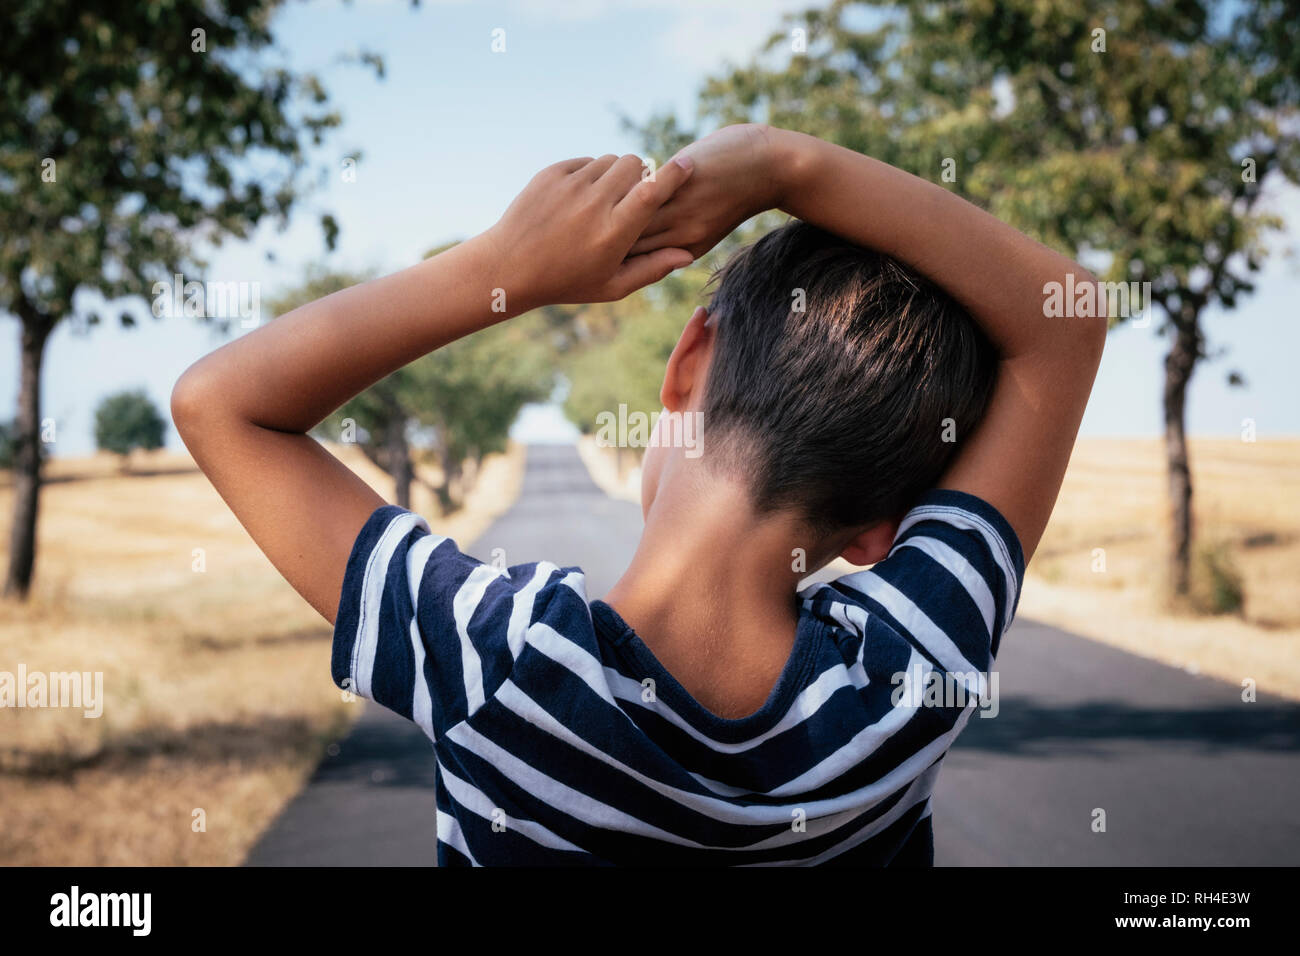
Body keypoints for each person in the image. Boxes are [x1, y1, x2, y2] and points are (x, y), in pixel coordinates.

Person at [172, 124, 1105, 865]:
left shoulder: (499, 665)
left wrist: (502, 268)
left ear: (687, 361)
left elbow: (220, 403)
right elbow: (1064, 319)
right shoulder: (906, 684)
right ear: (876, 535)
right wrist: (788, 164)